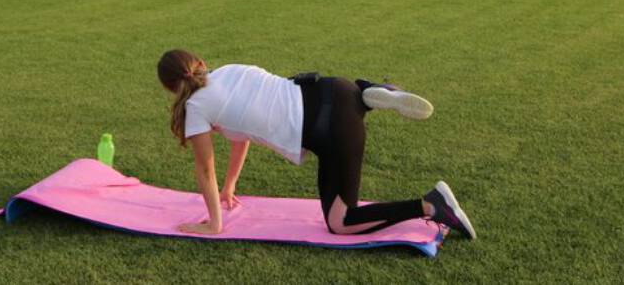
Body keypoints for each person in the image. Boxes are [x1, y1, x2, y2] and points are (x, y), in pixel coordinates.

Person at [156, 49, 476, 239]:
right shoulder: (228, 72)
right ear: (197, 62)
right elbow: (242, 136)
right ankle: (369, 93)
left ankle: (431, 205)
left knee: (341, 223)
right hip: (332, 89)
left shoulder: (196, 106)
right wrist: (229, 188)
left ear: (171, 87)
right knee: (344, 105)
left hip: (330, 130)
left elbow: (204, 168)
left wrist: (214, 223)